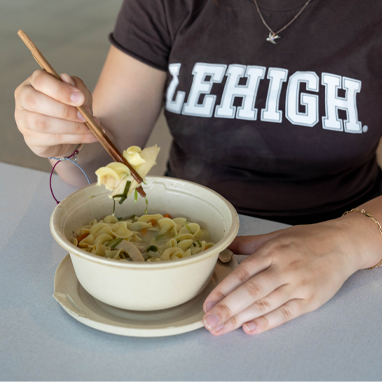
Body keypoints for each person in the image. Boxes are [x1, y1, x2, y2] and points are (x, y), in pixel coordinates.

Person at [14, 0, 382, 336]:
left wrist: (345, 243)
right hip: (181, 253)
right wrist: (66, 137)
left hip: (340, 264)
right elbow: (109, 159)